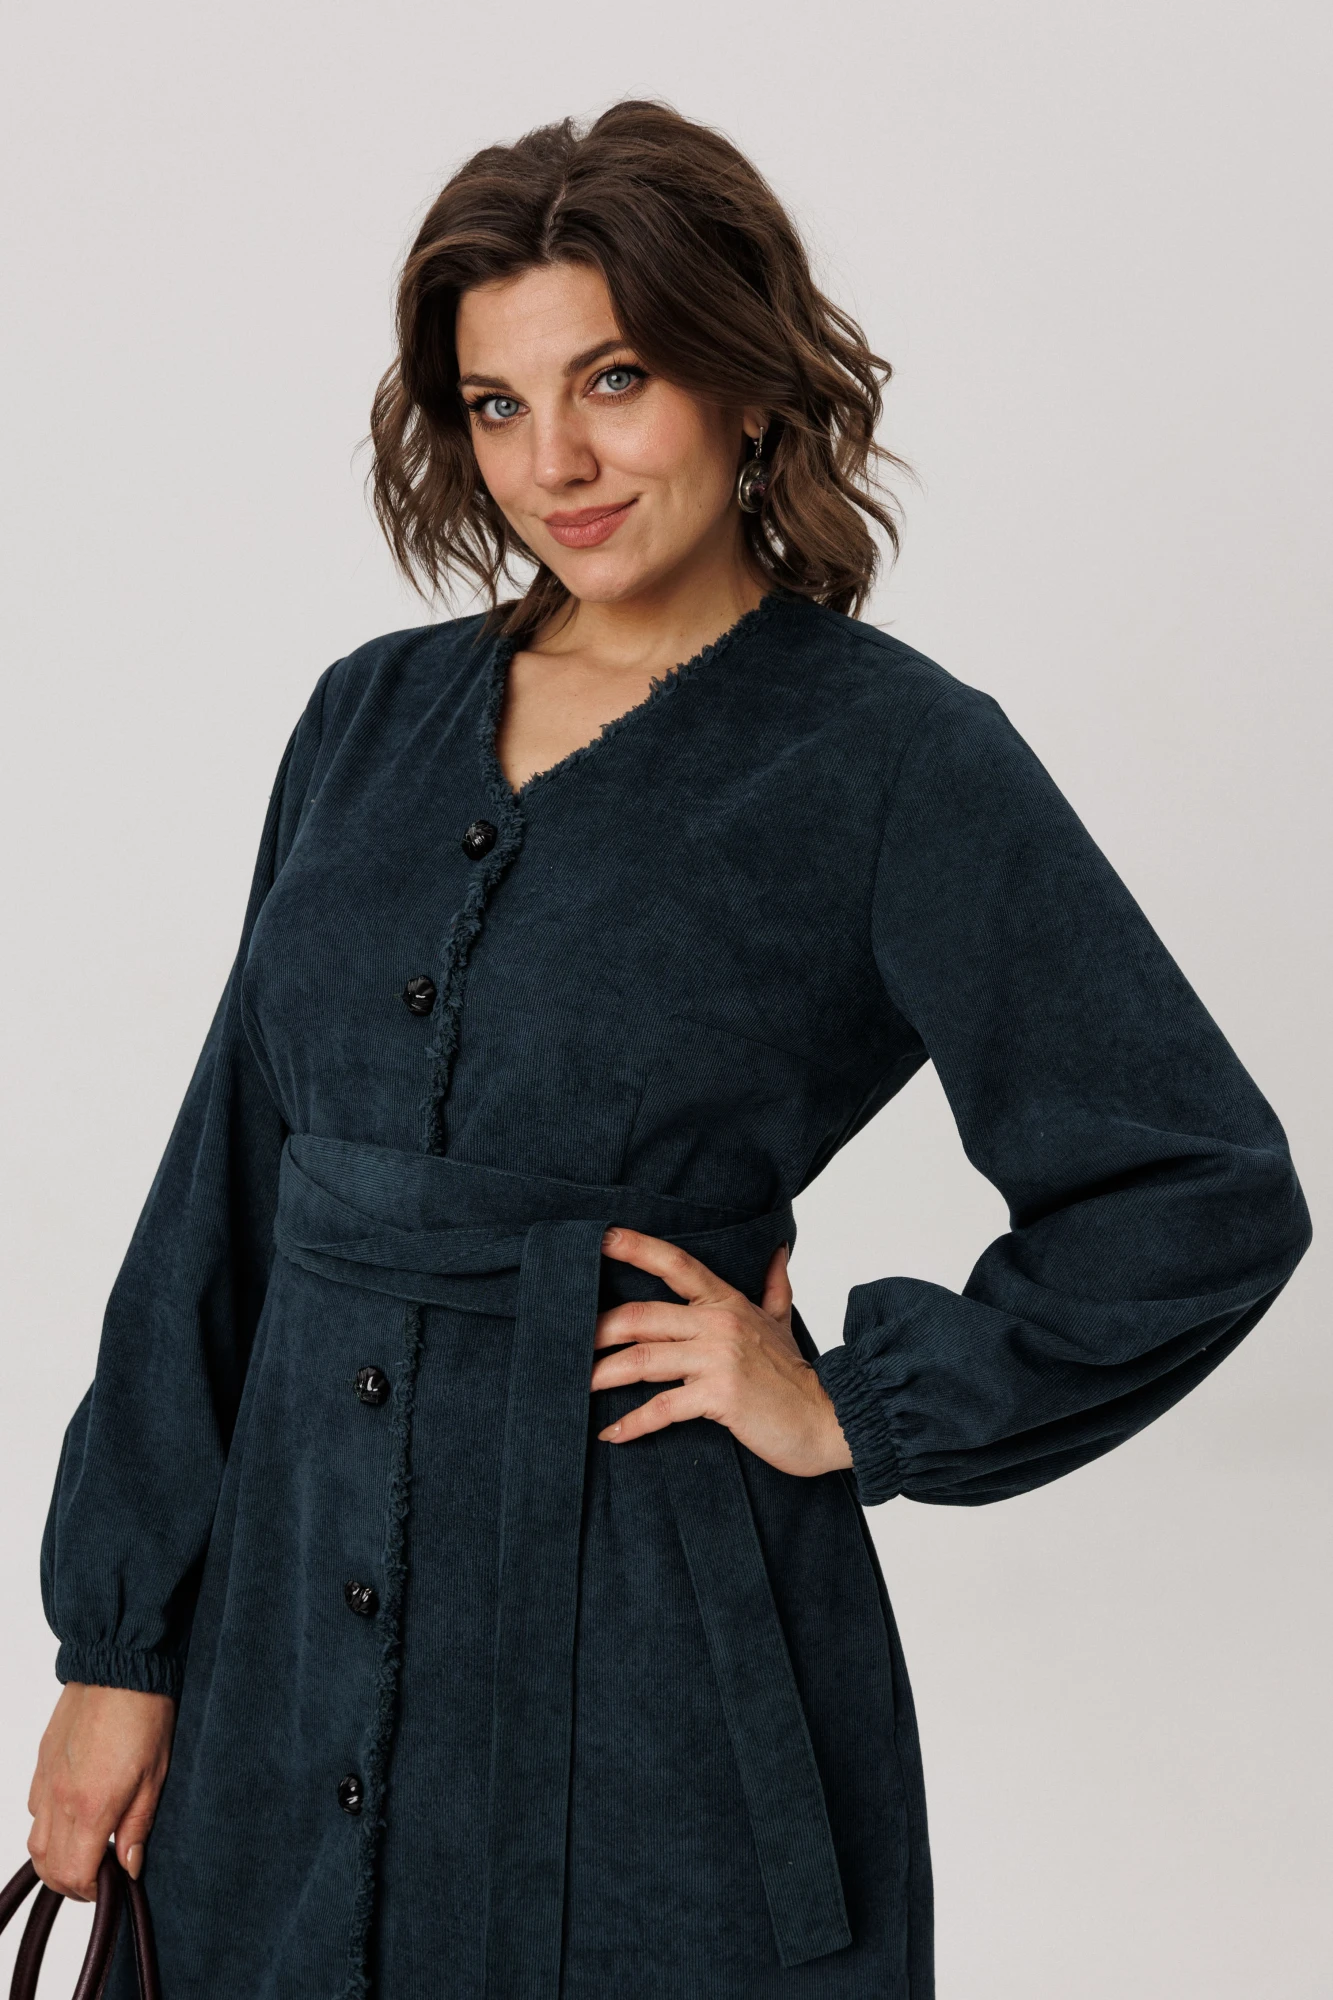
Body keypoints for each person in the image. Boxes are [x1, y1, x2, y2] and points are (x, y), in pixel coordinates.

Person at [26, 100, 1310, 2000]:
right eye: (496, 404)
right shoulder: (365, 720)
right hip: (282, 1674)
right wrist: (118, 1649)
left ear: (746, 380)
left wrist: (856, 1403)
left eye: (613, 380)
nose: (555, 462)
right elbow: (222, 1189)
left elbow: (1195, 1185)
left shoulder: (893, 758)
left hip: (650, 1680)